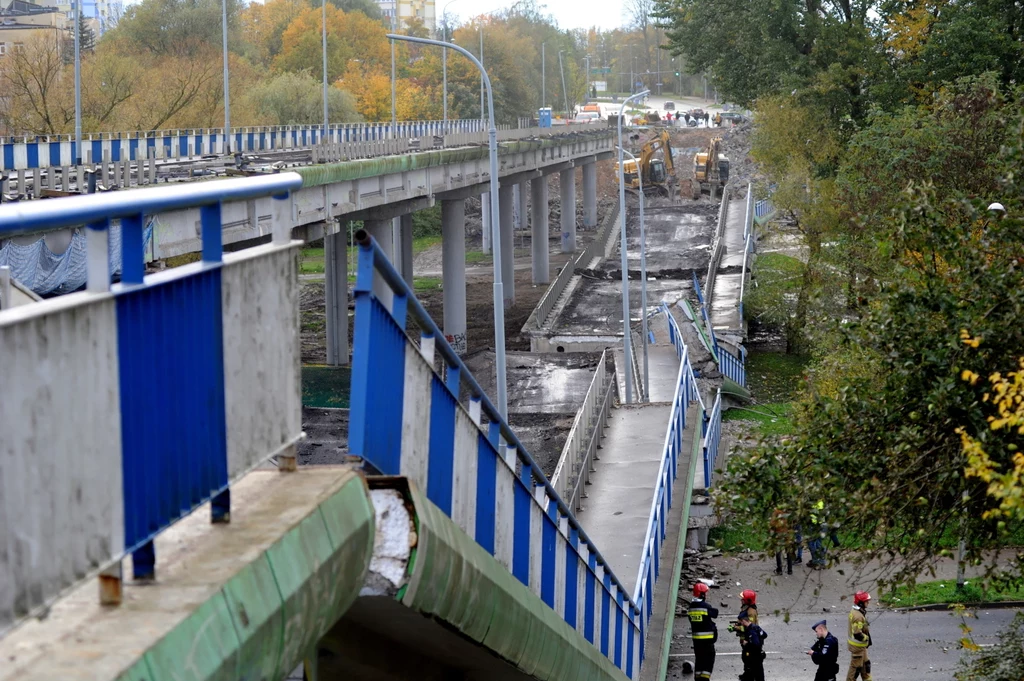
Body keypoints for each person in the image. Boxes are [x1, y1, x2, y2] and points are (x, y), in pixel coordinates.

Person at [688, 582, 719, 681]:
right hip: (707, 640)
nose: (706, 595)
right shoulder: (705, 606)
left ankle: (698, 678)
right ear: (701, 594)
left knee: (699, 660)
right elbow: (715, 613)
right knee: (708, 661)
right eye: (705, 593)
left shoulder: (691, 607)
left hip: (697, 641)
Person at [847, 591, 873, 681]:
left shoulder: (856, 611)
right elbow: (858, 634)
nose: (868, 603)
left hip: (861, 648)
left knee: (866, 667)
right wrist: (866, 638)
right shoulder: (858, 616)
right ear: (861, 603)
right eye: (866, 601)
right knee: (854, 672)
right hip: (858, 648)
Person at [737, 612, 767, 681]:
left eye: (741, 621)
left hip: (753, 658)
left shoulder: (751, 631)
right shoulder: (756, 627)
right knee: (759, 676)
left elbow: (755, 644)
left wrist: (746, 643)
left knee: (752, 676)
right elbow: (764, 635)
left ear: (744, 620)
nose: (741, 623)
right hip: (758, 657)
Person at [770, 509, 795, 575]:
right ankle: (790, 570)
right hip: (788, 534)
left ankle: (779, 569)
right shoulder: (789, 511)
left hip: (779, 533)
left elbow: (772, 523)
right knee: (789, 551)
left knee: (778, 551)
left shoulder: (777, 512)